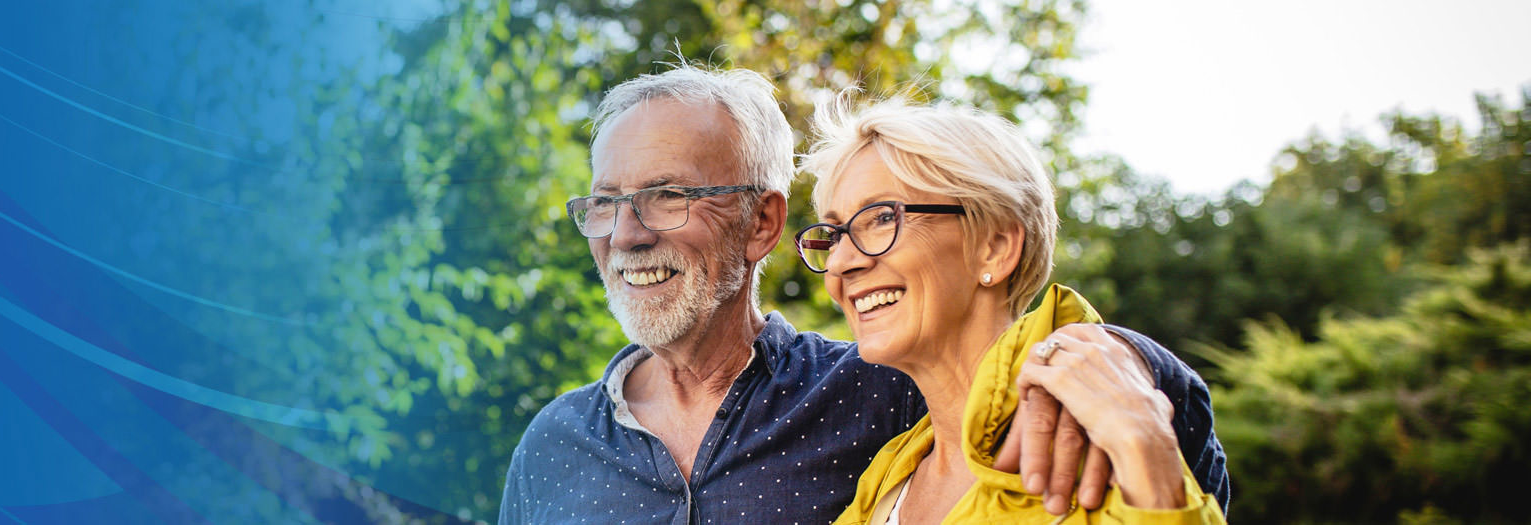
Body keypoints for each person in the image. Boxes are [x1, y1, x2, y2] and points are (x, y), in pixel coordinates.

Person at [499, 63, 1227, 524]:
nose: (625, 233)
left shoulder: (877, 392)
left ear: (762, 223)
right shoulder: (551, 448)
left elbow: (1174, 428)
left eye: (666, 196)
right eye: (605, 203)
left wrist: (1104, 357)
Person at [795, 94, 1225, 523]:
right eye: (833, 236)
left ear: (995, 248)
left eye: (882, 218)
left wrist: (1149, 463)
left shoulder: (1098, 443)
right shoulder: (888, 475)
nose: (839, 263)